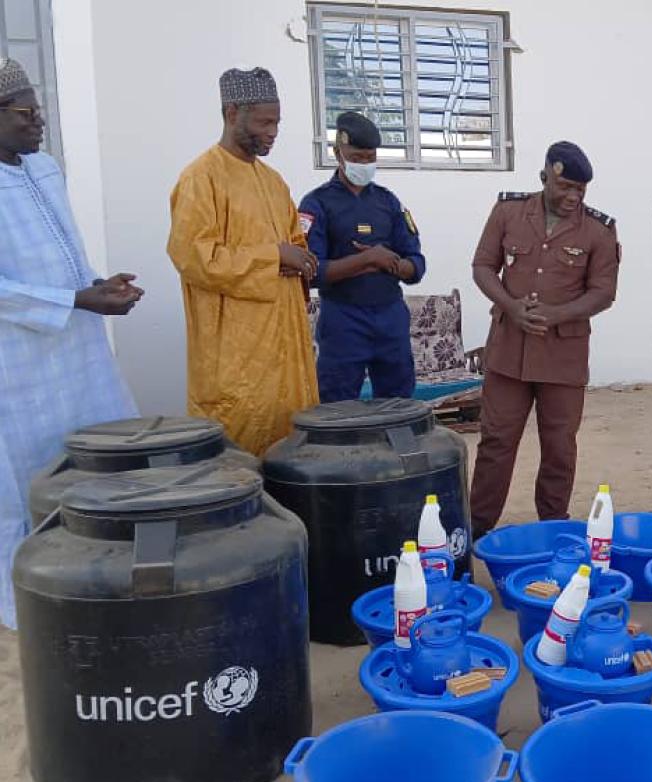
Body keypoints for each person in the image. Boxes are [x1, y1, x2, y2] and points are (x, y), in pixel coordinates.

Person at [0, 57, 142, 628]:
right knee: (26, 475)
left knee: (99, 455)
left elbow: (67, 260)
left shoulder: (44, 169)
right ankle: (28, 592)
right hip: (18, 367)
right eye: (24, 113)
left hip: (77, 352)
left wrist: (96, 287)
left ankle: (99, 568)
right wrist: (78, 302)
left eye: (40, 111)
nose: (39, 123)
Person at [468, 141, 620, 557]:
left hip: (563, 357)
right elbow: (483, 266)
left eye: (581, 190)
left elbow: (603, 292)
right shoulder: (508, 212)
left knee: (559, 447)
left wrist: (558, 314)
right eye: (565, 187)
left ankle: (553, 528)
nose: (573, 197)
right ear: (545, 178)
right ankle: (475, 528)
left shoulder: (599, 230)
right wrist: (510, 306)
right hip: (507, 351)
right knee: (496, 441)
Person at [167, 67, 318, 456]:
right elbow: (194, 256)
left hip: (286, 346)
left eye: (277, 123)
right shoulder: (201, 178)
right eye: (265, 122)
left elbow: (294, 241)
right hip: (234, 356)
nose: (273, 132)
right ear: (232, 114)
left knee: (292, 453)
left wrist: (301, 258)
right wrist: (273, 256)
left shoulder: (273, 181)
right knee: (239, 458)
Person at [299, 111, 425, 402]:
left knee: (398, 406)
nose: (364, 164)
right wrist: (367, 261)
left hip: (390, 315)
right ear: (337, 153)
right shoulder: (316, 203)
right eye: (357, 157)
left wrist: (393, 263)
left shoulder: (388, 202)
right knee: (337, 408)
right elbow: (312, 272)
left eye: (370, 158)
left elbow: (417, 265)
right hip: (343, 318)